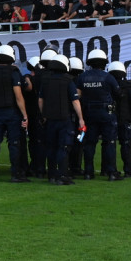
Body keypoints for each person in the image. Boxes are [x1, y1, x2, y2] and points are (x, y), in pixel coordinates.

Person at [0, 45, 30, 182]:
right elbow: (18, 95)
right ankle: (15, 174)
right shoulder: (14, 72)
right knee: (14, 144)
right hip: (11, 112)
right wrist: (25, 115)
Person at [37, 50, 83, 185]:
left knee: (51, 146)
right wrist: (81, 118)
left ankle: (51, 175)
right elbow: (75, 101)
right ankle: (62, 175)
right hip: (64, 119)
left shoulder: (45, 80)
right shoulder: (68, 81)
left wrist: (44, 114)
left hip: (50, 119)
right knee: (63, 147)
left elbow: (40, 100)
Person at [77, 49, 123, 181]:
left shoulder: (82, 77)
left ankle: (88, 172)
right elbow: (118, 94)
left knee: (89, 143)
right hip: (106, 113)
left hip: (89, 113)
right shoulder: (108, 77)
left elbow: (78, 95)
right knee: (109, 142)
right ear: (104, 62)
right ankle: (111, 173)